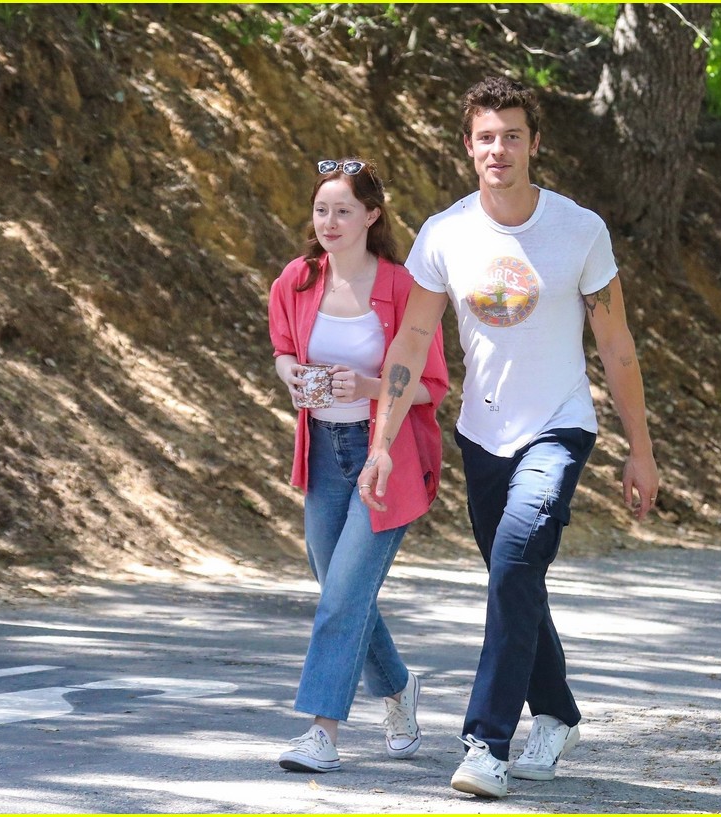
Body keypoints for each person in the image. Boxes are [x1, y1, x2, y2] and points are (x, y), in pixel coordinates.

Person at [357, 77, 660, 798]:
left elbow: (616, 346)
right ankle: (555, 712)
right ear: (469, 148)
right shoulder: (446, 233)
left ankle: (485, 743)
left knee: (517, 557)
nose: (500, 148)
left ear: (534, 144)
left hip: (559, 426)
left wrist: (640, 450)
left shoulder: (578, 230)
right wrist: (382, 439)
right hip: (482, 436)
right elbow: (412, 339)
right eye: (486, 137)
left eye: (513, 135)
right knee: (514, 577)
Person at [268, 157, 448, 774]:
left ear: (372, 216)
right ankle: (397, 689)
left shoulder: (402, 286)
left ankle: (322, 732)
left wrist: (371, 386)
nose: (330, 220)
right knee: (342, 591)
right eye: (322, 209)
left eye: (344, 209)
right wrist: (293, 375)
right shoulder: (296, 279)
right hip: (322, 453)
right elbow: (284, 354)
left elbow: (432, 387)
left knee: (342, 597)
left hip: (387, 460)